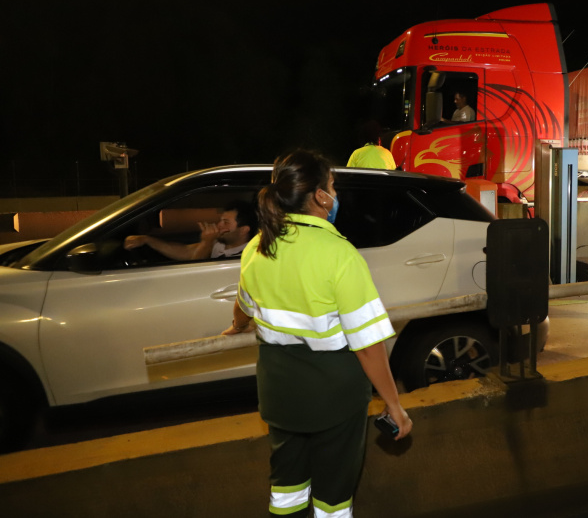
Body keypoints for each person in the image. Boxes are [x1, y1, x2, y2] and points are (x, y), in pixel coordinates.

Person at [221, 148, 412, 518]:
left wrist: (236, 327)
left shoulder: (256, 249)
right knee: (334, 494)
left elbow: (243, 305)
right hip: (334, 398)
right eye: (332, 186)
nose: (335, 195)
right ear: (320, 196)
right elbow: (369, 345)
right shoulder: (339, 255)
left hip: (279, 393)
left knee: (287, 487)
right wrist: (394, 406)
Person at [123, 201, 256, 260]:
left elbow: (196, 269)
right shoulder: (221, 244)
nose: (219, 225)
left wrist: (206, 243)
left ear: (243, 230)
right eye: (220, 220)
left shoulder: (245, 257)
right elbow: (185, 251)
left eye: (225, 222)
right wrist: (147, 239)